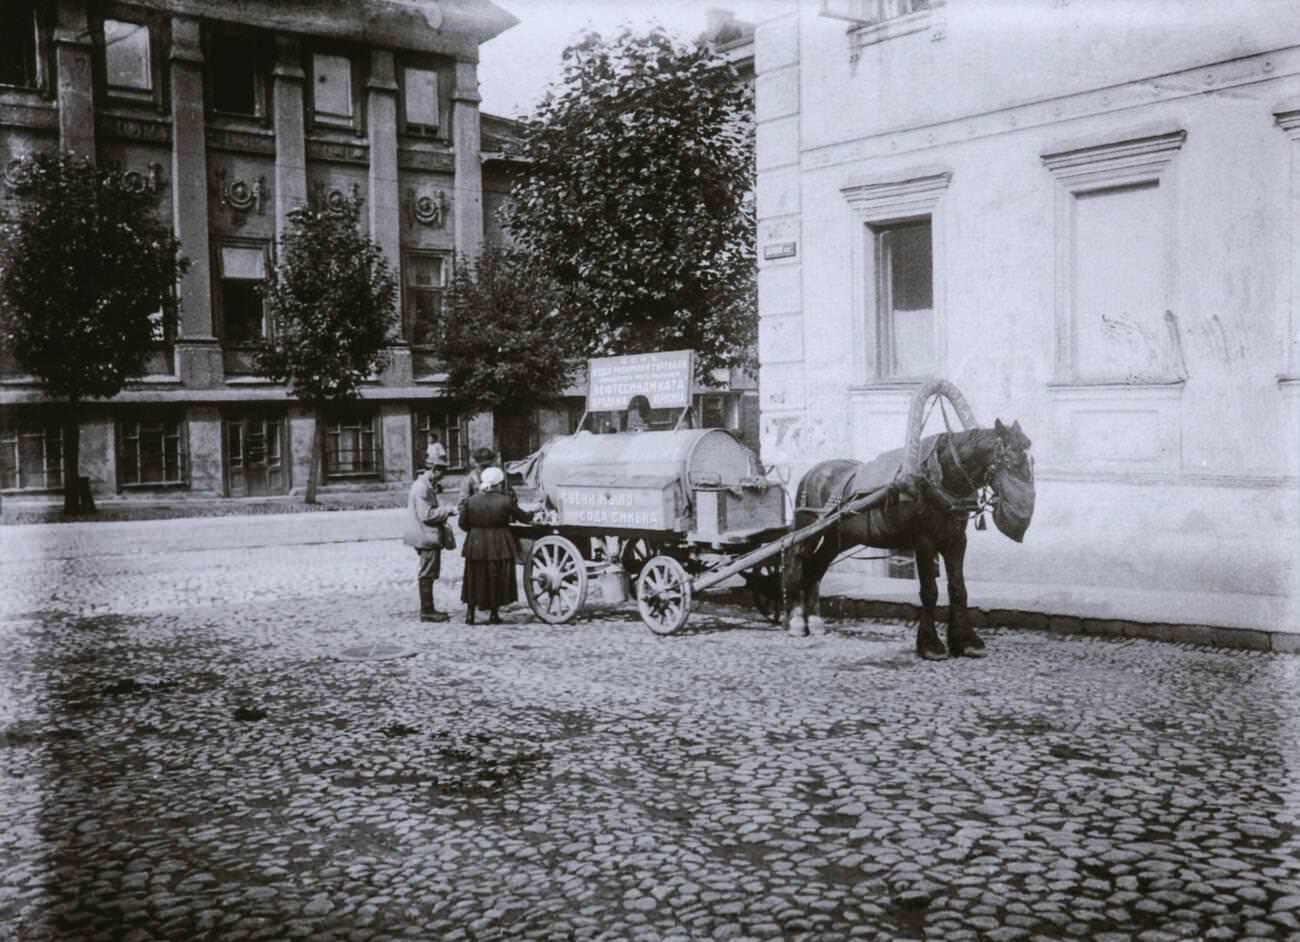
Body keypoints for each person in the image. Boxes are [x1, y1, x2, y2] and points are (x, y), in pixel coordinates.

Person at [459, 466, 531, 624]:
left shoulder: (471, 501)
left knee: (474, 578)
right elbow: (523, 517)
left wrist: (476, 531)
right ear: (498, 484)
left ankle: (470, 614)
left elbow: (462, 524)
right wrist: (534, 514)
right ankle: (493, 614)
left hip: (475, 543)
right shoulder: (505, 500)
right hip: (499, 543)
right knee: (496, 578)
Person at [401, 445, 453, 623]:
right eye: (442, 472)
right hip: (427, 536)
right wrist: (447, 511)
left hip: (425, 535)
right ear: (433, 469)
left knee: (428, 573)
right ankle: (427, 611)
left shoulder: (424, 485)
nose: (442, 477)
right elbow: (427, 515)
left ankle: (428, 609)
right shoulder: (422, 488)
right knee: (427, 573)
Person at [457, 446, 512, 514]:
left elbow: (511, 498)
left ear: (493, 463)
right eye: (483, 466)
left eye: (489, 466)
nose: (486, 469)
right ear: (476, 464)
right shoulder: (469, 479)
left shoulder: (500, 476)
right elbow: (462, 504)